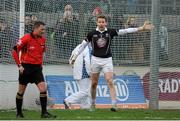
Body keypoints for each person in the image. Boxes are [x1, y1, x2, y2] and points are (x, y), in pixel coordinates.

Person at [69, 15, 154, 112]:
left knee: (109, 81)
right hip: (95, 60)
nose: (101, 24)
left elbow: (126, 31)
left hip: (107, 60)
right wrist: (75, 56)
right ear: (97, 23)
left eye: (103, 22)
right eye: (99, 22)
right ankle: (93, 104)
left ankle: (114, 104)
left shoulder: (110, 32)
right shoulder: (91, 34)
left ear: (106, 23)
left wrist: (141, 28)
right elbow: (83, 45)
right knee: (94, 84)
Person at [12, 21, 56, 118]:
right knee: (21, 91)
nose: (44, 31)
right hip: (26, 68)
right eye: (42, 29)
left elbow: (41, 53)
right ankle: (19, 113)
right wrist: (19, 65)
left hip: (37, 69)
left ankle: (44, 113)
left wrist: (40, 65)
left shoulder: (43, 40)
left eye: (44, 29)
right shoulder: (26, 38)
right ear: (35, 29)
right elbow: (15, 51)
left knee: (43, 88)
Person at [64, 44, 92, 109]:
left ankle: (85, 107)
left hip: (78, 72)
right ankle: (68, 101)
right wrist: (90, 73)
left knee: (83, 91)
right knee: (85, 91)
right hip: (84, 73)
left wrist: (74, 69)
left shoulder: (78, 46)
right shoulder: (88, 48)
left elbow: (70, 60)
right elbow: (88, 62)